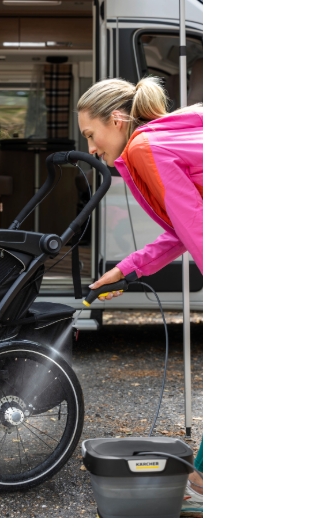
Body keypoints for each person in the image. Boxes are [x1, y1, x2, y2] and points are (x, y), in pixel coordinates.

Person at [77, 77, 203, 514]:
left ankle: (204, 483)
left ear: (116, 120)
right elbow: (185, 228)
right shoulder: (158, 139)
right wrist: (125, 269)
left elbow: (199, 230)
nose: (91, 148)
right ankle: (203, 481)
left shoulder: (145, 149)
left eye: (91, 134)